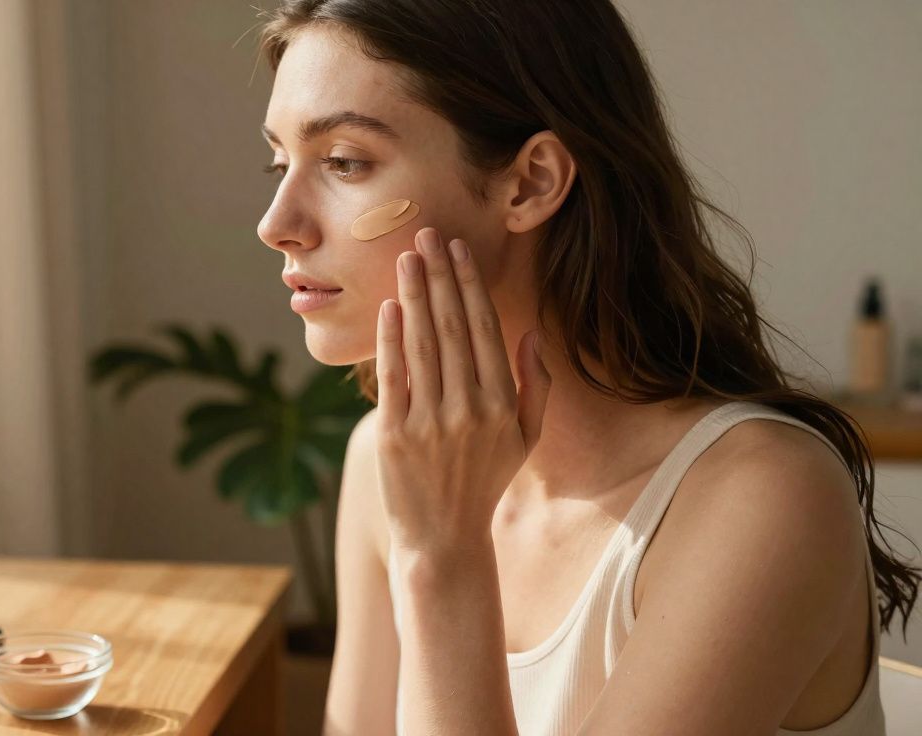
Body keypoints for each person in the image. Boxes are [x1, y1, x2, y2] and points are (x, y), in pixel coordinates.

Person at [253, 1, 920, 734]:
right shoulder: (387, 457)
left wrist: (442, 561)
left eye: (345, 162)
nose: (277, 224)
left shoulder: (762, 497)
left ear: (531, 183)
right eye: (279, 162)